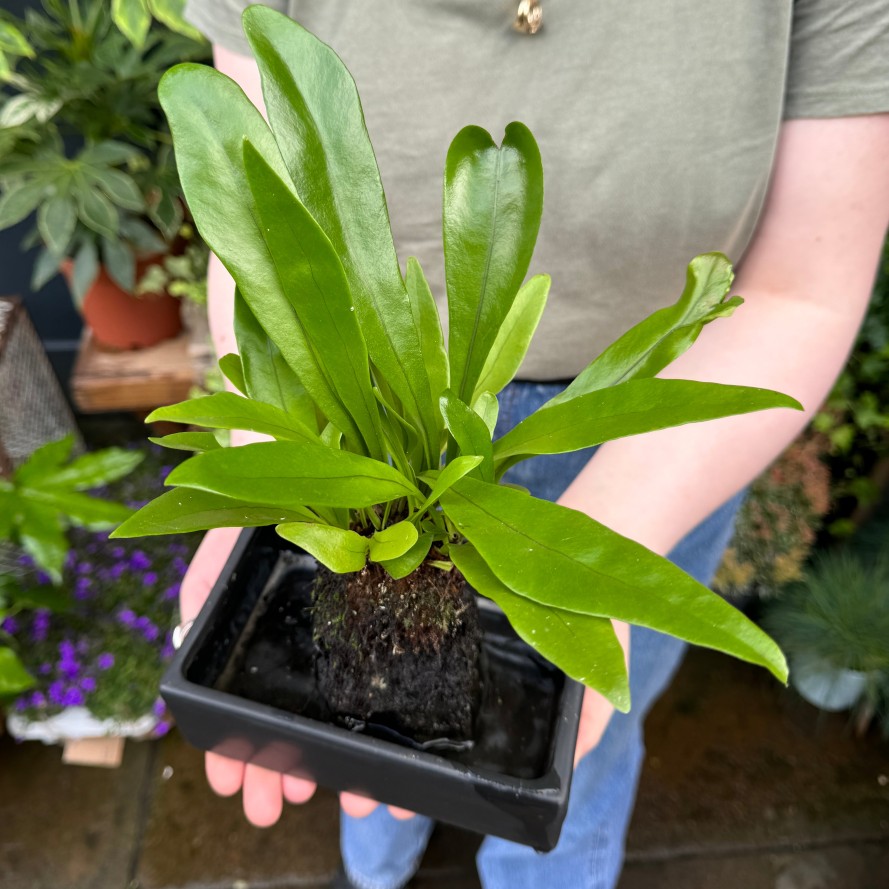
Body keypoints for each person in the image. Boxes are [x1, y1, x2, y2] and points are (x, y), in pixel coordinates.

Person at [178, 2, 889, 887]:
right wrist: (264, 463)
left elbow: (803, 284)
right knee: (356, 750)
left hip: (655, 441)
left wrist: (593, 560)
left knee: (577, 738)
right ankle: (378, 857)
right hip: (353, 418)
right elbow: (251, 204)